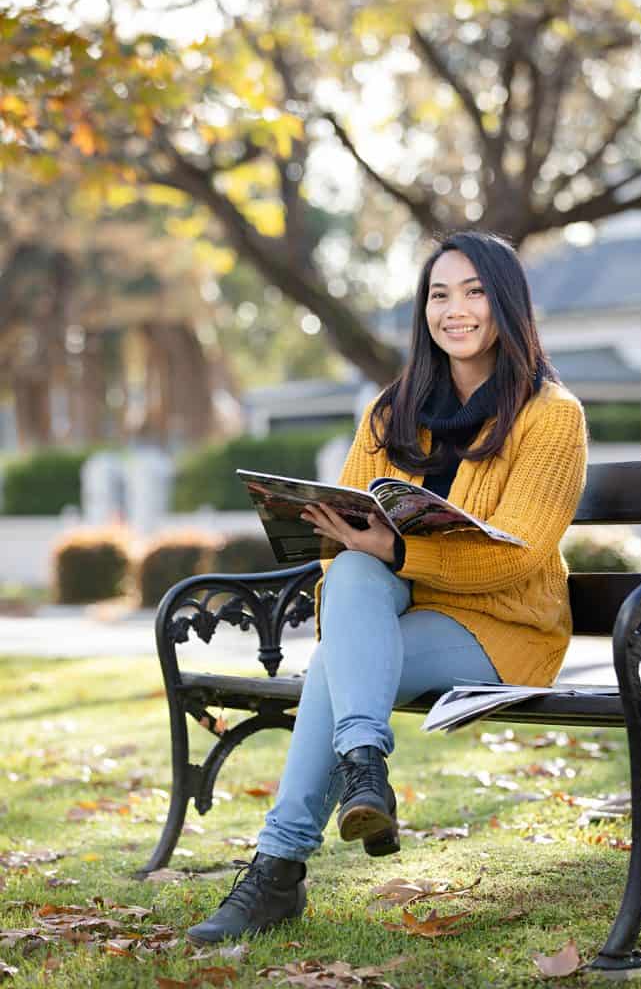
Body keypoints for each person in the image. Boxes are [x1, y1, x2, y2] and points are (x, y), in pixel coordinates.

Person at [187, 230, 588, 944]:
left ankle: (280, 866)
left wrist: (397, 550)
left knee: (338, 661)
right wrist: (362, 545)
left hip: (502, 629)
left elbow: (517, 561)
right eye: (439, 294)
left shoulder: (550, 415)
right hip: (388, 612)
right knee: (354, 567)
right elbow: (341, 542)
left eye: (473, 292)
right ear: (422, 311)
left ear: (506, 306)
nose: (454, 309)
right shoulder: (389, 410)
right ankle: (363, 767)